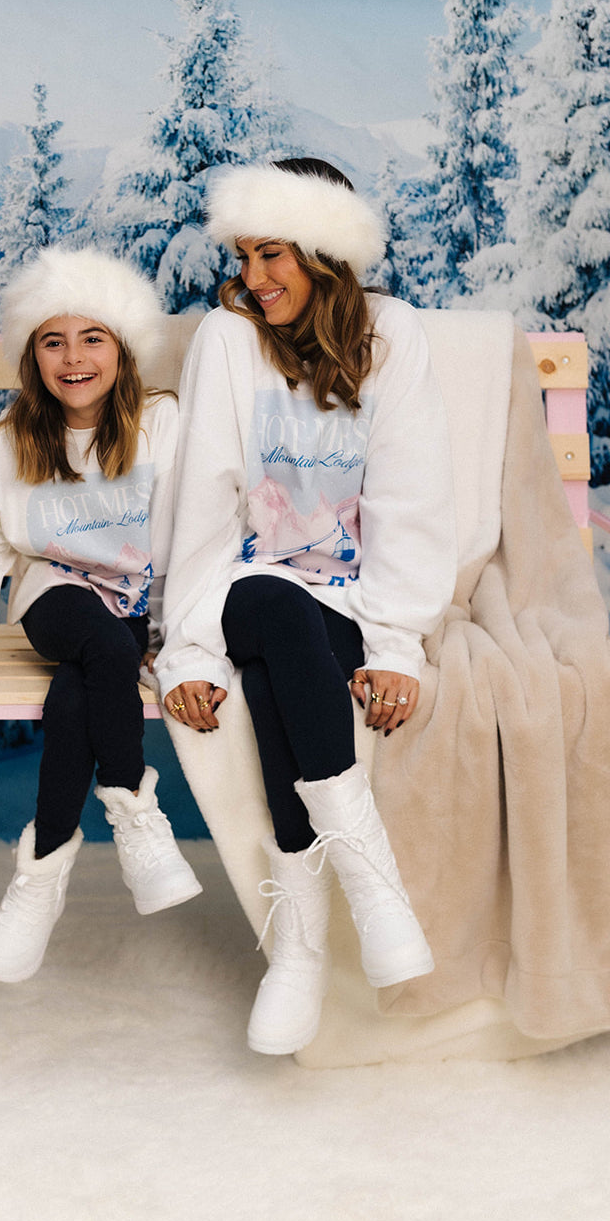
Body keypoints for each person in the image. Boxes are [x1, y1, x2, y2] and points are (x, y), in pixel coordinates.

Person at [156, 157, 457, 1056]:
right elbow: (203, 502)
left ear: (325, 253)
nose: (254, 277)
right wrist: (190, 653)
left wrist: (396, 645)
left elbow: (412, 499)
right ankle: (371, 885)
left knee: (298, 662)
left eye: (274, 253)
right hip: (243, 589)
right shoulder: (225, 339)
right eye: (245, 255)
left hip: (345, 601)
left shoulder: (393, 337)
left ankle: (300, 941)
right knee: (274, 616)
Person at [0, 247, 200, 983]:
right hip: (52, 599)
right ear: (32, 357)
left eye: (92, 338)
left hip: (132, 612)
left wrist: (175, 637)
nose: (73, 357)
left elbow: (199, 529)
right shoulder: (13, 442)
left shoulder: (163, 424)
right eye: (52, 341)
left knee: (88, 681)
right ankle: (132, 811)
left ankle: (41, 874)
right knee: (94, 643)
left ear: (123, 349)